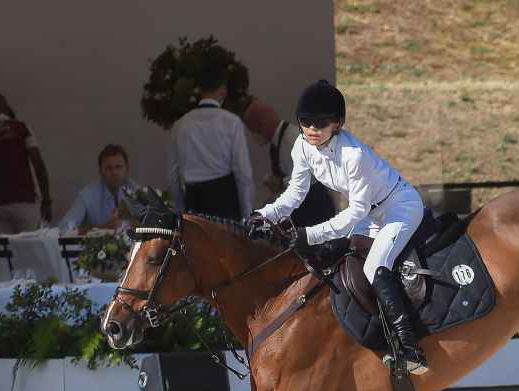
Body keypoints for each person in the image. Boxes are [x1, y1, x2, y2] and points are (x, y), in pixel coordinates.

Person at [247, 80, 428, 373]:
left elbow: (355, 212)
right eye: (305, 122)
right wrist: (265, 214)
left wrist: (311, 233)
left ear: (338, 124)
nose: (311, 129)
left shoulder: (353, 156)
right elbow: (295, 192)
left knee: (374, 267)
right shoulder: (301, 147)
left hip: (399, 207)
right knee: (344, 266)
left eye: (321, 123)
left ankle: (410, 347)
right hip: (371, 213)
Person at [168, 65, 254, 220]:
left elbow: (173, 176)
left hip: (193, 202)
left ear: (199, 90)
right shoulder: (231, 122)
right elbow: (243, 174)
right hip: (226, 203)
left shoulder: (180, 125)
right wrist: (247, 215)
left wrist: (180, 210)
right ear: (223, 89)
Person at [242, 98, 337, 228]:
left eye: (252, 128)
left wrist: (281, 182)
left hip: (314, 208)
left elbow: (314, 174)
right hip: (304, 206)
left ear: (261, 124)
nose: (254, 134)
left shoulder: (292, 139)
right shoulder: (278, 143)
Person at [0, 93, 52, 234]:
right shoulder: (21, 128)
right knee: (29, 251)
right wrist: (46, 200)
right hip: (24, 203)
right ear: (6, 108)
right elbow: (38, 164)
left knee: (3, 254)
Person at [58, 144, 138, 233]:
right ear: (100, 172)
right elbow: (64, 228)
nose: (114, 172)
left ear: (126, 169)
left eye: (118, 167)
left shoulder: (135, 190)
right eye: (108, 168)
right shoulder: (88, 194)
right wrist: (101, 229)